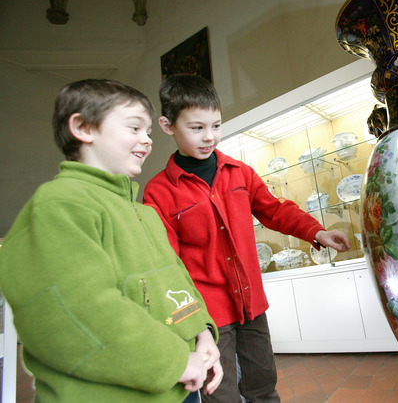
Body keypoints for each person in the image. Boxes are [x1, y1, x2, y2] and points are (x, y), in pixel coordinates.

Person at [0, 79, 223, 403]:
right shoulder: (59, 204)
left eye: (148, 131)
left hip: (179, 384)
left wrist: (203, 334)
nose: (146, 141)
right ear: (84, 127)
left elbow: (177, 282)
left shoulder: (144, 213)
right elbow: (75, 311)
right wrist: (173, 361)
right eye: (134, 128)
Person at [143, 74, 351, 403]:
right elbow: (166, 264)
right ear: (168, 126)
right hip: (208, 317)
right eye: (197, 128)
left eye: (216, 125)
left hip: (251, 304)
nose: (209, 137)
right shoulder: (158, 192)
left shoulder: (239, 172)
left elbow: (275, 210)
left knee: (263, 386)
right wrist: (189, 324)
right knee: (220, 396)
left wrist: (317, 231)